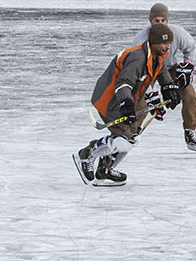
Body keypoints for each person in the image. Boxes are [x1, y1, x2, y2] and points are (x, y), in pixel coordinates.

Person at [73, 23, 181, 186]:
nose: (167, 47)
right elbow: (123, 83)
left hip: (134, 98)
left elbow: (161, 69)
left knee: (132, 138)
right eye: (164, 43)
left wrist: (168, 86)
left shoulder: (157, 56)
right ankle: (87, 154)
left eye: (169, 43)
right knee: (122, 141)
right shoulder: (137, 57)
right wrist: (126, 103)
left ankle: (105, 170)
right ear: (153, 42)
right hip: (111, 100)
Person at [133, 3, 196, 153]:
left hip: (169, 67)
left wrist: (187, 66)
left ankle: (190, 133)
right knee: (141, 102)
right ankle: (131, 133)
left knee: (189, 94)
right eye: (157, 20)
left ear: (167, 21)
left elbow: (191, 47)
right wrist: (149, 94)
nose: (160, 23)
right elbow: (137, 68)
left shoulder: (177, 33)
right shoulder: (140, 39)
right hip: (147, 70)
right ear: (151, 21)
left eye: (163, 20)